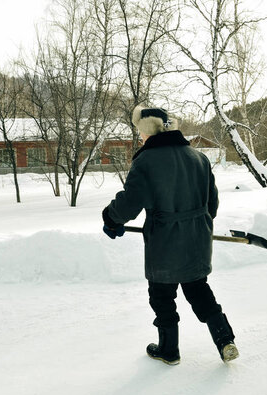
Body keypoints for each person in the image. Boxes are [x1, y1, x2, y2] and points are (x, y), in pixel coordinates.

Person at [102, 105, 239, 365]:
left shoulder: (146, 161)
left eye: (140, 133)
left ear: (147, 132)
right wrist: (194, 224)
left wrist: (110, 218)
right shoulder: (199, 158)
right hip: (197, 243)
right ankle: (225, 341)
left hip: (163, 245)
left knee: (162, 297)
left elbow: (130, 203)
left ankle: (169, 350)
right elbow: (212, 206)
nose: (140, 138)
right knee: (200, 292)